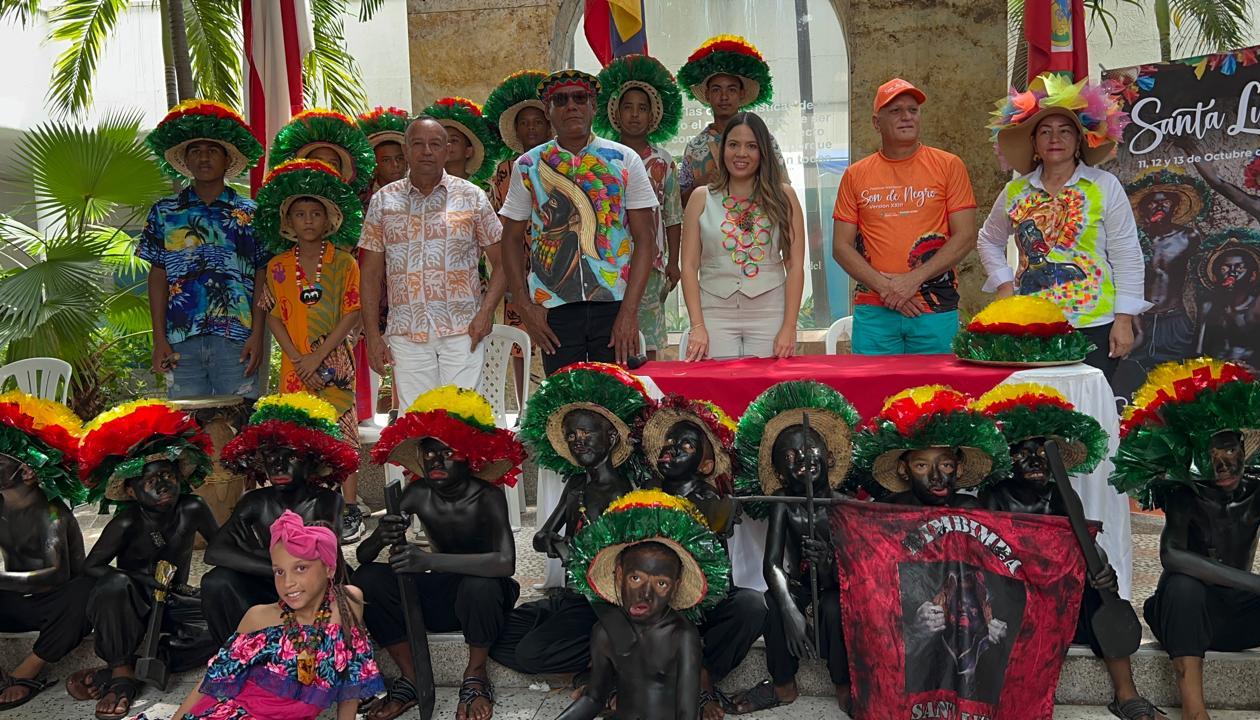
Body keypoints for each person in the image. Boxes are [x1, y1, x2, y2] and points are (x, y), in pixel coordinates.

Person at [972, 384, 1159, 720]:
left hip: (1058, 599)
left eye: (1044, 451)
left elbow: (1083, 543)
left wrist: (1100, 566)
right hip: (1011, 597)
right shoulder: (992, 496)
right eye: (1022, 451)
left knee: (1101, 587)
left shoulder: (1060, 493)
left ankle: (1126, 691)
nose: (1035, 460)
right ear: (1005, 457)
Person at [354, 386, 525, 720]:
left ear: (469, 456)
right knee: (367, 579)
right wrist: (380, 537)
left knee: (479, 586)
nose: (436, 460)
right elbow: (362, 555)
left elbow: (505, 563)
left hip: (486, 595)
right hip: (443, 591)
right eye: (429, 453)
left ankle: (475, 675)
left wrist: (428, 560)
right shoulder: (417, 493)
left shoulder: (487, 496)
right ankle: (411, 677)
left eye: (447, 452)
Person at [1110, 359, 1260, 720]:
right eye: (1208, 455)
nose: (1221, 465)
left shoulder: (1257, 489)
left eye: (1228, 449)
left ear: (1243, 445)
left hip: (1240, 618)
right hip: (1186, 618)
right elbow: (1173, 556)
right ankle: (1195, 711)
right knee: (1182, 585)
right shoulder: (1183, 492)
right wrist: (1253, 582)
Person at [979, 73, 1149, 381]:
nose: (1054, 139)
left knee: (1088, 414)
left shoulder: (1103, 186)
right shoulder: (1015, 192)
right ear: (1033, 142)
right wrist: (1004, 284)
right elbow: (988, 240)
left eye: (1064, 131)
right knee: (1039, 412)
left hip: (1094, 323)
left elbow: (1127, 255)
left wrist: (1124, 319)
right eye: (1044, 132)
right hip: (1032, 323)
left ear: (1079, 140)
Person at [497, 70, 659, 372]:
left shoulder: (624, 160)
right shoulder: (529, 165)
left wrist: (629, 312)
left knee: (616, 403)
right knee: (563, 402)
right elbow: (510, 238)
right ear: (549, 111)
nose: (571, 105)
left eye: (580, 97)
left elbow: (646, 239)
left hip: (614, 305)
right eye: (560, 100)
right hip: (554, 309)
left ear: (593, 106)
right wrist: (524, 305)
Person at [492, 362, 649, 675]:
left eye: (587, 433)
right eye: (571, 435)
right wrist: (555, 542)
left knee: (527, 656)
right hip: (568, 596)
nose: (579, 441)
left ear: (612, 438)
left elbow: (631, 561)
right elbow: (541, 536)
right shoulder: (578, 486)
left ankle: (601, 657)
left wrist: (577, 558)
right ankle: (592, 650)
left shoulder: (628, 492)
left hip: (602, 602)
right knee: (499, 633)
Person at [71, 400, 219, 720]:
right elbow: (91, 566)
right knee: (112, 584)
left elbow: (221, 549)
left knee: (225, 619)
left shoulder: (193, 508)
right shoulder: (127, 522)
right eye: (150, 482)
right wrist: (143, 580)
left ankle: (158, 660)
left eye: (167, 475)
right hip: (134, 603)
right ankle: (122, 673)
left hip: (175, 599)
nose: (162, 485)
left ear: (180, 476)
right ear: (133, 492)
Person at [269, 110, 377, 541]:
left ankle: (349, 506)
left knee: (343, 433)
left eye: (316, 213)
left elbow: (352, 312)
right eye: (300, 214)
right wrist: (297, 357)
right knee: (301, 435)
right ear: (288, 222)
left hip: (335, 362)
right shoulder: (277, 267)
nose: (308, 220)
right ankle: (308, 504)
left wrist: (318, 355)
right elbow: (274, 315)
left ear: (329, 218)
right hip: (293, 367)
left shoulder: (345, 262)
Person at [725, 381, 860, 714]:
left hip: (836, 589)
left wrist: (829, 562)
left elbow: (857, 567)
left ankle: (844, 683)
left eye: (809, 449)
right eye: (791, 458)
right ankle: (783, 684)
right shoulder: (784, 505)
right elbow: (771, 564)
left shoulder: (845, 507)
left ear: (828, 457)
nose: (802, 458)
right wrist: (788, 606)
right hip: (800, 584)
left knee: (834, 607)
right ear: (782, 476)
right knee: (772, 600)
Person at [170, 511, 383, 720]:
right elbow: (216, 674)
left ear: (329, 568)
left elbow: (351, 676)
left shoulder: (347, 603)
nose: (288, 583)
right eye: (279, 572)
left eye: (300, 568)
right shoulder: (260, 617)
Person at [360, 116, 505, 409]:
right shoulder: (383, 201)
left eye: (435, 144)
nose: (427, 151)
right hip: (406, 331)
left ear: (446, 151)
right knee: (416, 423)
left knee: (463, 419)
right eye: (418, 144)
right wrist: (373, 336)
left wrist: (486, 312)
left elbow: (504, 264)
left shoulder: (471, 196)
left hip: (464, 330)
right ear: (407, 150)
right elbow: (370, 275)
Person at [638, 395, 765, 719]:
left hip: (705, 598)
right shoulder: (645, 495)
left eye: (686, 446)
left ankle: (702, 672)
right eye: (669, 442)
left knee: (751, 606)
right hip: (658, 604)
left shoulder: (715, 502)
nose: (671, 448)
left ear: (706, 465)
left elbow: (711, 567)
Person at [832, 78, 978, 355]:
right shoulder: (855, 174)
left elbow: (966, 235)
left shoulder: (949, 165)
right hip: (875, 310)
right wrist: (889, 290)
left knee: (940, 395)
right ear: (877, 123)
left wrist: (912, 281)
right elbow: (840, 246)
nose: (906, 117)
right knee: (872, 396)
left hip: (934, 307)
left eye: (912, 110)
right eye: (895, 111)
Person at [557, 489, 730, 720]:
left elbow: (686, 713)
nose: (645, 594)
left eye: (661, 583)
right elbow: (594, 698)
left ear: (676, 586)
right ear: (619, 575)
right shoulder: (605, 632)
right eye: (635, 578)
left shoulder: (681, 635)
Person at [203, 393, 358, 644]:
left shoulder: (326, 501)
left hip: (317, 590)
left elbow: (312, 559)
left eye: (291, 457)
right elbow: (216, 552)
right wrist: (276, 570)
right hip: (270, 586)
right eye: (271, 457)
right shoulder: (256, 501)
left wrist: (257, 557)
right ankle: (234, 655)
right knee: (216, 581)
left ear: (311, 461)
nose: (278, 465)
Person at [140, 99, 267, 399]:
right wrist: (159, 339)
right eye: (195, 151)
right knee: (189, 432)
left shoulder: (251, 213)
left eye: (212, 150)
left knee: (239, 427)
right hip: (181, 341)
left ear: (227, 159)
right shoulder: (165, 212)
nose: (204, 157)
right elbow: (157, 277)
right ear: (185, 160)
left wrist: (258, 335)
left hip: (238, 339)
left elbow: (264, 276)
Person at [680, 112, 804, 361]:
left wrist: (789, 327)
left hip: (770, 312)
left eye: (751, 146)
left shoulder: (784, 196)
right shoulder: (701, 198)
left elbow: (795, 264)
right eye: (733, 144)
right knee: (717, 393)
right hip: (714, 313)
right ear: (722, 148)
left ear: (763, 152)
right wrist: (697, 326)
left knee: (767, 394)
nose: (741, 154)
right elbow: (689, 266)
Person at [0, 392, 92, 712]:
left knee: (87, 591)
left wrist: (2, 579)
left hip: (57, 604)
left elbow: (56, 575)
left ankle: (28, 672)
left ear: (26, 471)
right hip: (17, 603)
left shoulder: (51, 513)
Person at [595, 54, 686, 360]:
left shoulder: (663, 161)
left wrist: (674, 261)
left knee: (647, 345)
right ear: (615, 113)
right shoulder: (602, 159)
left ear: (653, 116)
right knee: (610, 341)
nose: (635, 115)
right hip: (608, 264)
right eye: (628, 107)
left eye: (642, 108)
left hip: (652, 267)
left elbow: (673, 215)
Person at [484, 70, 552, 392]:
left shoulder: (559, 164)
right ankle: (523, 403)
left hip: (555, 266)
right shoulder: (504, 171)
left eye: (537, 122)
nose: (531, 128)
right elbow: (498, 220)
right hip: (518, 266)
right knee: (518, 336)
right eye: (524, 123)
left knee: (556, 336)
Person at [676, 35, 788, 205]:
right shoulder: (694, 148)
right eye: (716, 90)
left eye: (732, 89)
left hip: (758, 228)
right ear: (707, 95)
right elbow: (680, 205)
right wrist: (699, 185)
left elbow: (784, 192)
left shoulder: (764, 140)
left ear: (741, 94)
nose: (724, 96)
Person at [853, 386, 1007, 508]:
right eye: (921, 466)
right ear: (903, 469)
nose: (936, 477)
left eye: (946, 465)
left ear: (958, 469)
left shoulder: (968, 510)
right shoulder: (887, 511)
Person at [354, 106, 411, 425]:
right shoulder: (360, 200)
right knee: (368, 338)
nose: (392, 165)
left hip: (403, 284)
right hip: (373, 279)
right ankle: (366, 410)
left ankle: (401, 407)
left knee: (404, 348)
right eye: (384, 159)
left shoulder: (413, 194)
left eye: (398, 159)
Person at [1124, 167, 1210, 369]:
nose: (1159, 206)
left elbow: (1206, 278)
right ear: (1144, 209)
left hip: (1175, 319)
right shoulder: (1134, 240)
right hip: (1139, 322)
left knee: (1177, 379)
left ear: (1176, 206)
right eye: (1153, 202)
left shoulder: (1190, 237)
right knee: (1134, 378)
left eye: (1166, 201)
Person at [269, 108, 377, 195]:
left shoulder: (357, 209)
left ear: (341, 172)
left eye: (333, 164)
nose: (325, 168)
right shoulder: (281, 204)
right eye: (317, 161)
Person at [1192, 232, 1260, 367]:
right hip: (1215, 373)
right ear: (1215, 277)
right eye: (1225, 268)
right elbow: (1198, 350)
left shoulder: (1256, 305)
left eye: (1240, 268)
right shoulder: (1208, 305)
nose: (1232, 273)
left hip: (1249, 375)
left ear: (1253, 276)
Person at [422, 97, 503, 188]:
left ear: (469, 151)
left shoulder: (482, 188)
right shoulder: (426, 186)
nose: (447, 145)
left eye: (454, 140)